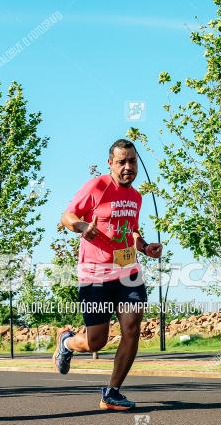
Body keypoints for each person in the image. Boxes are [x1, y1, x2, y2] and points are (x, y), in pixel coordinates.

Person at [54, 139, 162, 410]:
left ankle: (111, 393)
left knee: (132, 328)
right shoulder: (97, 186)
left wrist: (145, 247)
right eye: (122, 162)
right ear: (110, 164)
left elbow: (132, 231)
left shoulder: (136, 197)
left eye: (132, 161)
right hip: (95, 275)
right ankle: (67, 342)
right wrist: (80, 226)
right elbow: (66, 216)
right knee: (96, 342)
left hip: (129, 273)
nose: (128, 167)